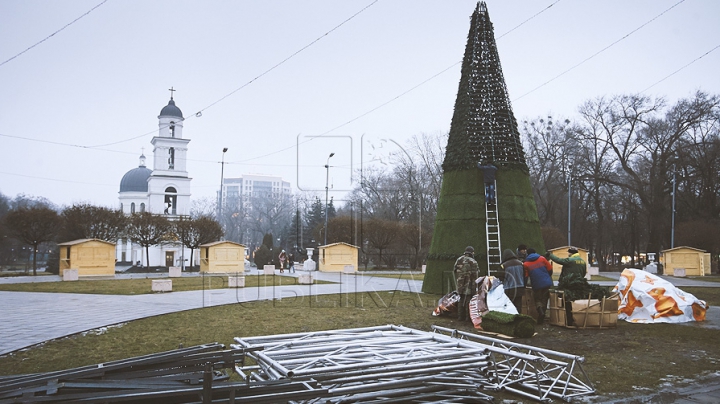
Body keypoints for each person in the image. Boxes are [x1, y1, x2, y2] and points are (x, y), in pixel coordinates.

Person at [523, 248, 553, 324]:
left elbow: (526, 276)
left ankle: (540, 311)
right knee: (545, 299)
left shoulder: (526, 264)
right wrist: (547, 277)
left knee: (537, 299)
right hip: (546, 283)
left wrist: (524, 285)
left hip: (536, 284)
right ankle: (542, 315)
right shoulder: (542, 259)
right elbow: (550, 269)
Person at [454, 246, 480, 323]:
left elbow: (455, 270)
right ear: (472, 252)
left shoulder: (459, 259)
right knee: (468, 300)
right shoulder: (473, 262)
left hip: (460, 284)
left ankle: (460, 317)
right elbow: (476, 275)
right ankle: (467, 318)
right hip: (469, 284)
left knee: (461, 299)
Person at [500, 249, 525, 313]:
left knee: (509, 305)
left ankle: (511, 319)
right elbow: (525, 275)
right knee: (518, 305)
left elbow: (501, 278)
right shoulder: (520, 263)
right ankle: (519, 318)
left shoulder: (504, 265)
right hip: (520, 287)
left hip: (509, 288)